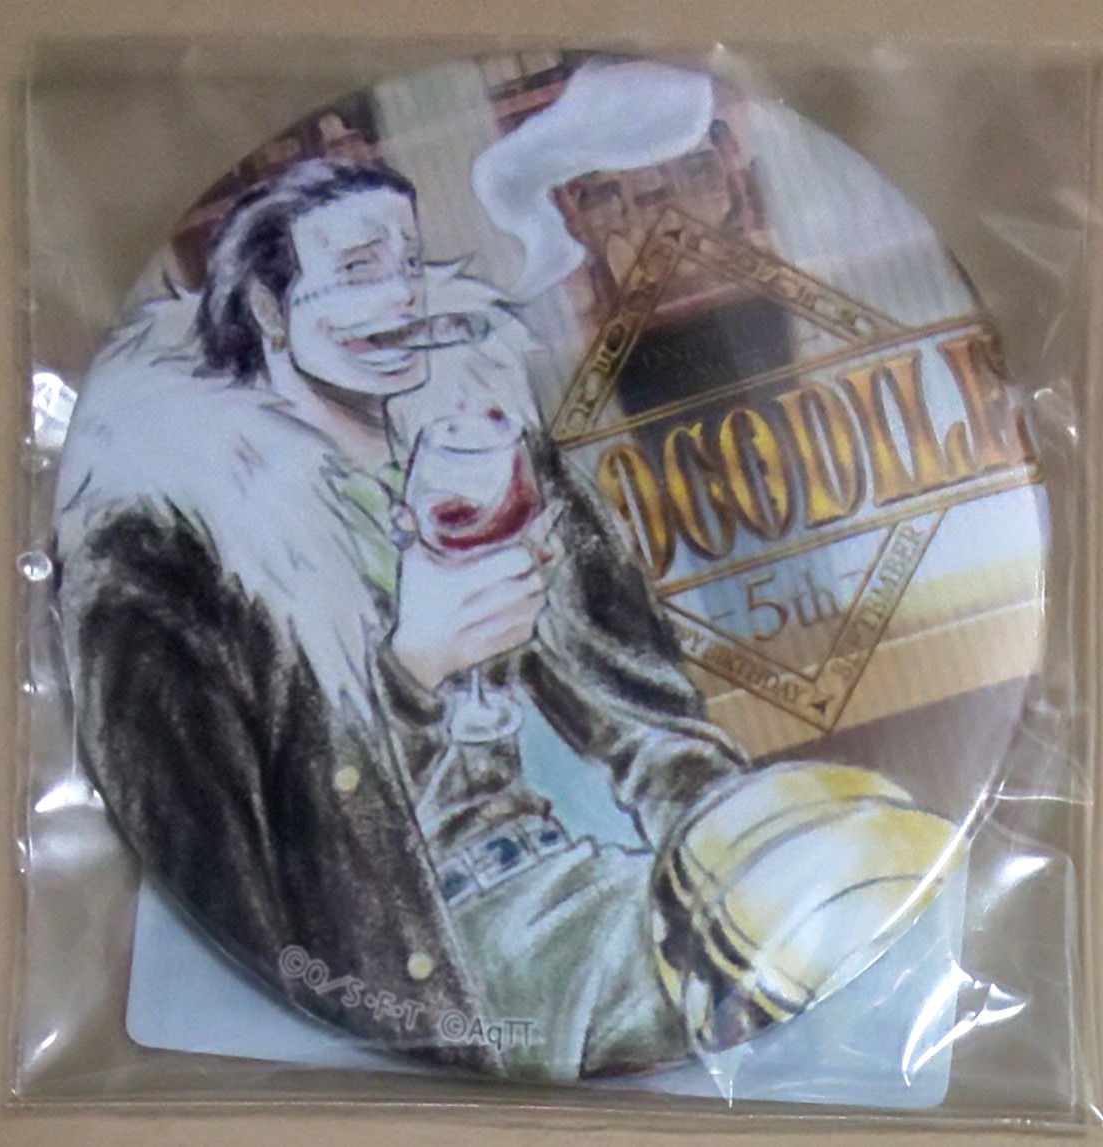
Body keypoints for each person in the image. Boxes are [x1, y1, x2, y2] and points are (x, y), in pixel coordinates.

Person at [54, 156, 955, 1082]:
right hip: (444, 959)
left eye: (409, 264)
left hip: (596, 884)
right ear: (269, 310)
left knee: (867, 871)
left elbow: (643, 712)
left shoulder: (483, 445)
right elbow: (242, 883)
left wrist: (736, 846)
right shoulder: (168, 551)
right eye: (359, 270)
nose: (401, 297)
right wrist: (413, 672)